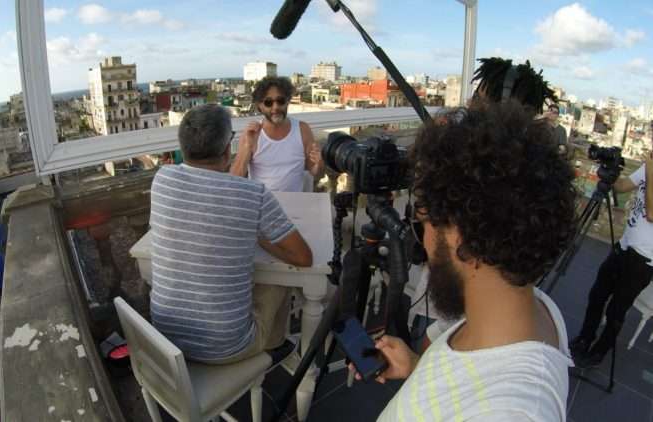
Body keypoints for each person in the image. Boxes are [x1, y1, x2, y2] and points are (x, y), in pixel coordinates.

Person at [351, 101, 577, 421]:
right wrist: (418, 367)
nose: (424, 242)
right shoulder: (525, 305)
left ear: (459, 235)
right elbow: (467, 387)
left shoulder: (513, 413)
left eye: (422, 222)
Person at [147, 104, 313, 365]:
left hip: (166, 342)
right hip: (227, 347)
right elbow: (303, 257)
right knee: (281, 279)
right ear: (227, 148)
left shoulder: (162, 180)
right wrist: (257, 236)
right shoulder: (252, 194)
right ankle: (273, 344)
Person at [418, 56, 559, 351]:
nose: (471, 105)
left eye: (479, 99)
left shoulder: (484, 172)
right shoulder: (535, 163)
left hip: (472, 296)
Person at [570, 149, 653, 368]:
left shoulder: (651, 168)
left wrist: (651, 169)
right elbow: (623, 187)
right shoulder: (649, 167)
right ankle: (584, 338)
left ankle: (598, 353)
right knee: (597, 294)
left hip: (643, 259)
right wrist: (610, 169)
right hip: (624, 246)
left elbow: (652, 213)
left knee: (616, 310)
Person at [230, 76, 323, 192]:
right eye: (268, 102)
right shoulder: (252, 134)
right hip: (263, 206)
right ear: (260, 106)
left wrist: (319, 164)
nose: (276, 107)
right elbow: (234, 179)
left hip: (294, 204)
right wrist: (247, 147)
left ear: (288, 101)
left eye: (281, 101)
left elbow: (315, 172)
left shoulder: (302, 130)